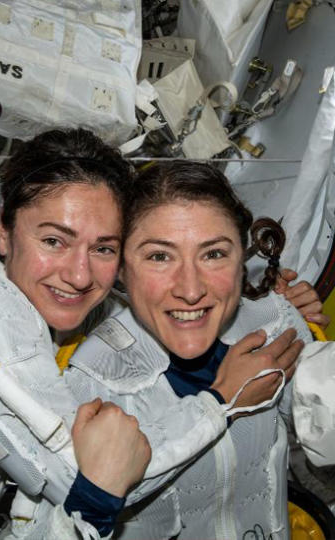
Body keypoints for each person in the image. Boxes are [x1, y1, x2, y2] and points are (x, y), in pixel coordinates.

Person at [0, 130, 308, 539]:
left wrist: (255, 295)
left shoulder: (66, 300)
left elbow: (144, 291)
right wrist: (220, 401)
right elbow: (89, 475)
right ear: (3, 232)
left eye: (102, 247)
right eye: (54, 241)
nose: (80, 275)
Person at [62, 161, 328, 537]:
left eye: (214, 254)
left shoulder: (276, 324)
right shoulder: (89, 382)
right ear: (120, 268)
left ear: (241, 260)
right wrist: (223, 403)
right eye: (159, 256)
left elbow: (320, 451)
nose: (190, 289)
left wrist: (319, 355)